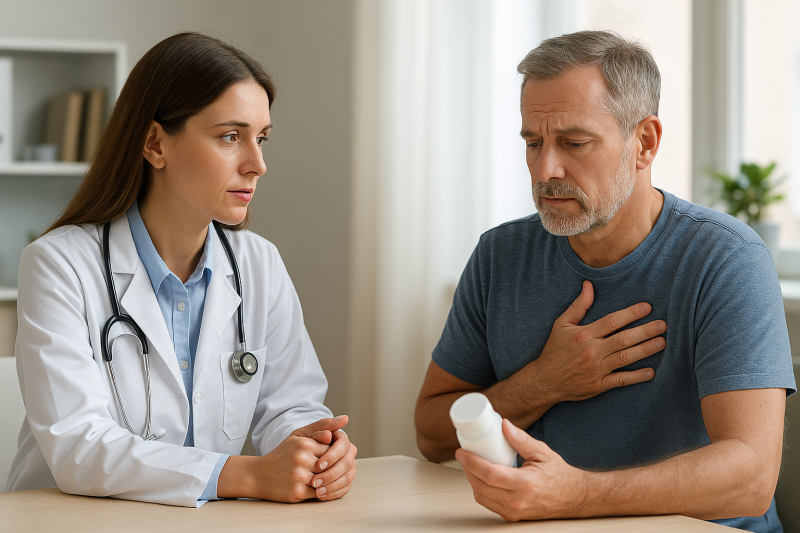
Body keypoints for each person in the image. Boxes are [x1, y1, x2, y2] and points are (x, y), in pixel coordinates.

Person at [415, 30, 795, 532]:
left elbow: (750, 478)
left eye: (574, 143)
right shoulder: (500, 254)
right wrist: (541, 383)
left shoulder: (726, 259)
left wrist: (576, 495)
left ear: (645, 142)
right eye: (533, 143)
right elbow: (433, 433)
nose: (546, 168)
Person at [6, 32, 356, 507]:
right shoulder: (58, 264)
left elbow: (291, 406)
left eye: (262, 139)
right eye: (231, 137)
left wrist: (315, 453)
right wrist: (248, 476)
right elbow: (79, 445)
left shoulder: (259, 263)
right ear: (154, 143)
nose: (258, 164)